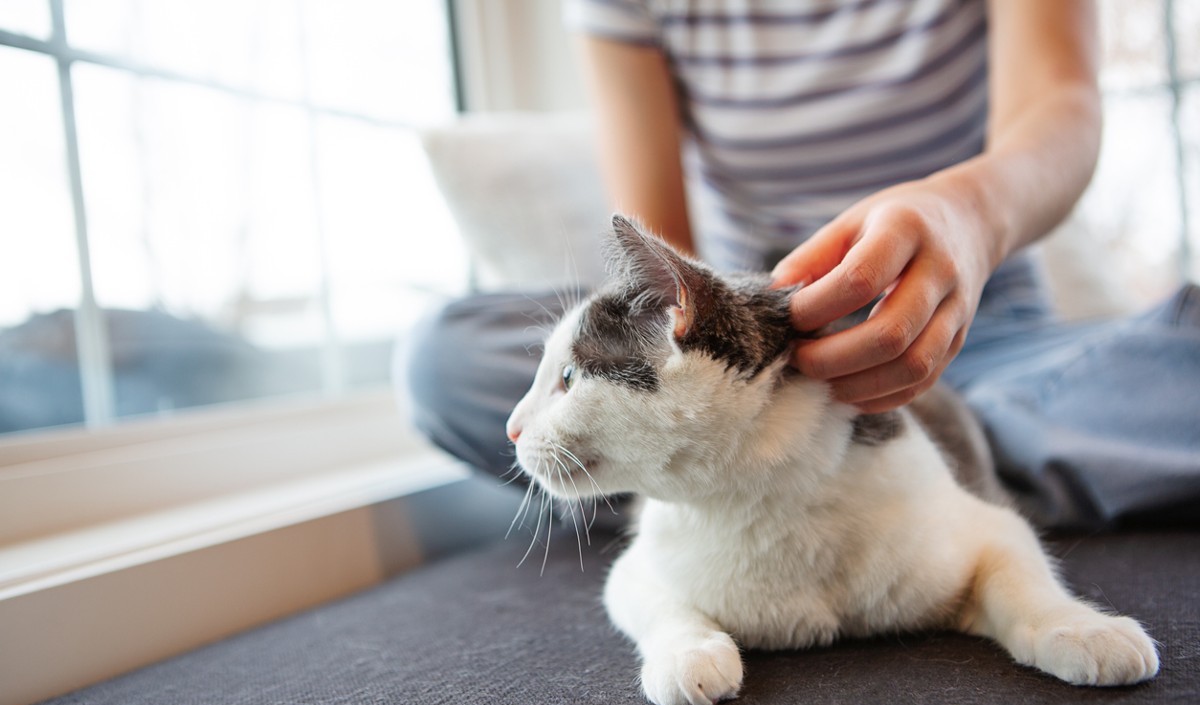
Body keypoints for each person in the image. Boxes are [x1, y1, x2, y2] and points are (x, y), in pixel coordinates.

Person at [406, 0, 1200, 530]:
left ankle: (867, 469)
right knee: (446, 361)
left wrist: (969, 216)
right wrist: (730, 376)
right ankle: (940, 476)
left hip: (978, 342)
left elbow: (1060, 108)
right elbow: (659, 253)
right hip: (758, 378)